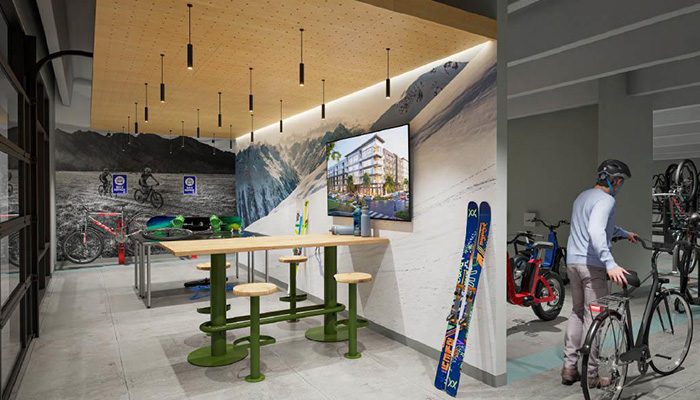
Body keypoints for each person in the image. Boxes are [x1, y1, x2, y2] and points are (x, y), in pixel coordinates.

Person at [561, 159, 637, 388]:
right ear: (615, 180)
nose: (621, 186)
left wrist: (624, 233)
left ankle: (569, 367)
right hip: (592, 267)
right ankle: (591, 375)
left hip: (573, 263)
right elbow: (595, 230)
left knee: (576, 313)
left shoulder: (582, 197)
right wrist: (610, 263)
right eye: (621, 181)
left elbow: (600, 226)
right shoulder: (607, 200)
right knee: (595, 319)